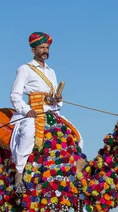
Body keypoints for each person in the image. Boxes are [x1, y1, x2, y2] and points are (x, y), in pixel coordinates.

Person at [9, 32, 82, 193]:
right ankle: (19, 175)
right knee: (28, 133)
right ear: (33, 50)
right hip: (32, 112)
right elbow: (15, 95)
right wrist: (27, 110)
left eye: (47, 47)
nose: (45, 50)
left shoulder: (51, 71)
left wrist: (57, 98)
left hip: (51, 111)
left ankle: (75, 174)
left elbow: (54, 96)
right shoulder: (25, 69)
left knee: (74, 135)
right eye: (41, 47)